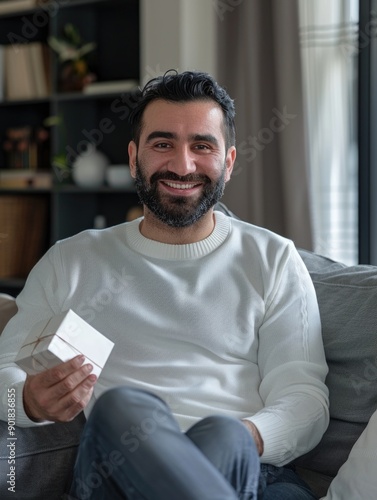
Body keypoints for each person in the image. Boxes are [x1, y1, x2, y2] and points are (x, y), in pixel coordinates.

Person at [0, 70, 329, 499]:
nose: (182, 165)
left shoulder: (273, 258)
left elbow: (304, 398)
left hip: (252, 470)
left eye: (202, 146)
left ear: (228, 162)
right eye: (163, 144)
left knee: (222, 436)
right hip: (117, 474)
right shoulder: (71, 260)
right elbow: (4, 370)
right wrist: (26, 402)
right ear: (135, 157)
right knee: (124, 408)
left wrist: (249, 435)